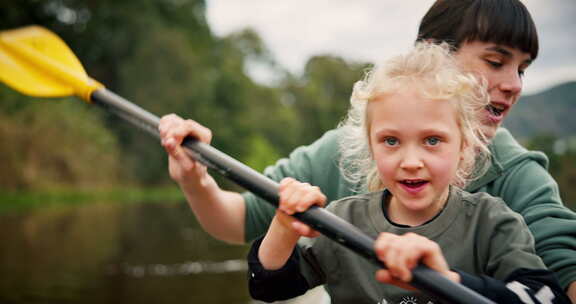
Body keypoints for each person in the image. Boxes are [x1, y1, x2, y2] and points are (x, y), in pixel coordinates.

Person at [158, 0, 576, 300]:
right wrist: (196, 180)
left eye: (523, 69)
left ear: (466, 148)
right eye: (496, 61)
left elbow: (555, 290)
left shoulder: (503, 204)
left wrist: (447, 280)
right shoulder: (344, 168)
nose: (516, 84)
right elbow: (259, 264)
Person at [247, 42, 569, 304]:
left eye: (432, 140)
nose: (411, 160)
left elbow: (544, 297)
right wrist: (283, 227)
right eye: (391, 141)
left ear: (464, 147)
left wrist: (448, 282)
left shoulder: (492, 222)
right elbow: (267, 287)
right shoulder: (341, 221)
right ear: (371, 147)